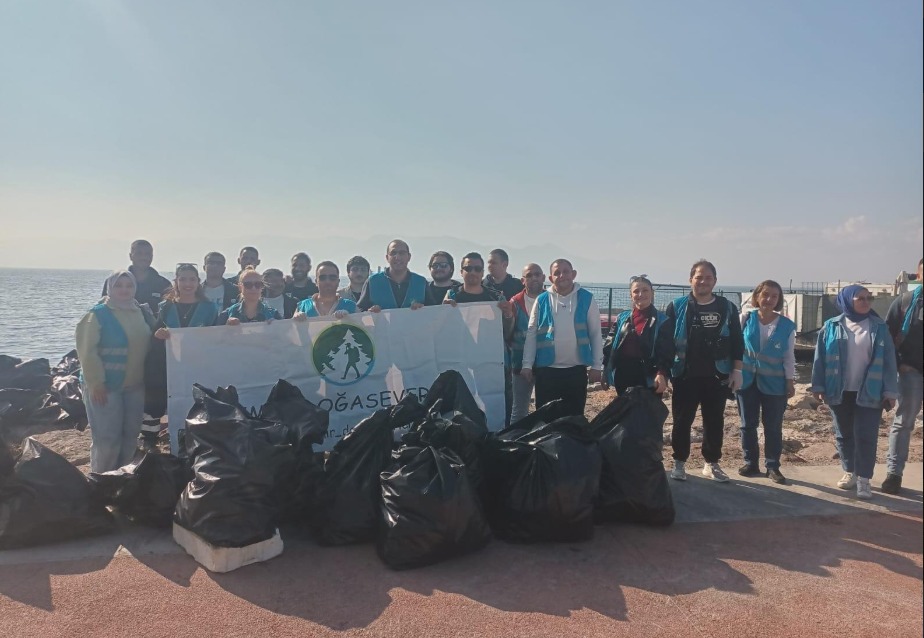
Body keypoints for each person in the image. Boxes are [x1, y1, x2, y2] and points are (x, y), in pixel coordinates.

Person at [810, 285, 898, 500]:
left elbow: (889, 361)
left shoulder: (879, 327)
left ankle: (864, 479)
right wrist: (818, 386)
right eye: (861, 298)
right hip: (839, 390)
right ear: (848, 300)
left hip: (870, 390)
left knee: (867, 436)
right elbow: (820, 358)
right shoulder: (831, 326)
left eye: (869, 298)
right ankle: (850, 471)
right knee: (844, 434)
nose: (866, 302)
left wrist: (890, 391)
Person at [665, 259, 744, 483]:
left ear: (715, 281)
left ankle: (711, 463)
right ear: (690, 279)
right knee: (682, 420)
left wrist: (737, 370)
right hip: (685, 374)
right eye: (699, 277)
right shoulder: (677, 306)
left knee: (714, 420)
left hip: (717, 374)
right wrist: (665, 371)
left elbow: (737, 340)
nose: (703, 281)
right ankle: (679, 462)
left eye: (708, 277)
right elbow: (666, 342)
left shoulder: (727, 307)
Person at [77, 271, 155, 472]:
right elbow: (87, 352)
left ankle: (123, 477)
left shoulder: (141, 312)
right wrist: (96, 383)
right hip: (105, 388)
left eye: (129, 285)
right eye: (119, 285)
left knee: (131, 435)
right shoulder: (97, 315)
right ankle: (102, 479)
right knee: (107, 439)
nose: (124, 290)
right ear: (110, 288)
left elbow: (154, 339)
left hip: (135, 387)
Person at [520, 259, 604, 418]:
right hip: (547, 370)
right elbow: (532, 334)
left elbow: (595, 333)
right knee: (545, 418)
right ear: (550, 278)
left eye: (566, 271)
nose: (562, 276)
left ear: (574, 274)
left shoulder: (587, 298)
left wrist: (597, 365)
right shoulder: (542, 300)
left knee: (574, 418)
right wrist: (527, 364)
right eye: (557, 273)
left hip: (576, 370)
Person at [735, 280, 796, 484]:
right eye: (765, 295)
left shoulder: (787, 326)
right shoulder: (745, 319)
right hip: (746, 382)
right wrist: (733, 373)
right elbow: (735, 348)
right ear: (757, 296)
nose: (769, 299)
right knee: (747, 425)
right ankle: (750, 462)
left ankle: (773, 466)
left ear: (779, 299)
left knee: (773, 426)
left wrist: (790, 381)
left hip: (775, 384)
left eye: (774, 296)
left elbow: (788, 356)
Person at [145, 264, 220, 424]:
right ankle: (166, 432)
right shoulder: (165, 307)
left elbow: (217, 339)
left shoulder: (210, 308)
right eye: (183, 279)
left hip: (198, 366)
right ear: (176, 282)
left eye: (192, 279)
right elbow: (155, 335)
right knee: (170, 401)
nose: (188, 284)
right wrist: (159, 334)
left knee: (196, 404)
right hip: (170, 366)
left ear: (198, 282)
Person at [882, 258, 924, 494]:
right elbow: (887, 336)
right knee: (904, 422)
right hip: (911, 371)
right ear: (918, 276)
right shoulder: (905, 302)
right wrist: (898, 365)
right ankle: (894, 474)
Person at [602, 275, 673, 396]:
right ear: (631, 295)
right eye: (636, 291)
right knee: (625, 408)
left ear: (652, 293)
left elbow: (667, 351)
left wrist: (661, 373)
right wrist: (605, 371)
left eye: (645, 290)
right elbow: (610, 345)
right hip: (623, 375)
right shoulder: (622, 318)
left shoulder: (663, 321)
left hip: (649, 377)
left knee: (648, 408)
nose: (641, 294)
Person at [508, 263, 545, 423]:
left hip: (546, 363)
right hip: (520, 365)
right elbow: (508, 334)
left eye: (537, 274)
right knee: (519, 410)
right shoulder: (514, 303)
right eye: (529, 275)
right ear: (523, 280)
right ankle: (515, 436)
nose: (534, 278)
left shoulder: (552, 300)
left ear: (543, 277)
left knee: (545, 408)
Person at [101, 239, 171, 315]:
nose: (143, 257)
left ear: (152, 257)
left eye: (147, 254)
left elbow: (170, 313)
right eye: (139, 253)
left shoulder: (164, 285)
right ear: (130, 256)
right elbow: (103, 310)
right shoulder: (114, 282)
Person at [357, 239, 427, 311]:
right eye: (393, 253)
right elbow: (359, 313)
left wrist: (423, 309)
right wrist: (370, 313)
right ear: (387, 258)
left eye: (402, 253)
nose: (397, 257)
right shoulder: (372, 282)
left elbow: (433, 313)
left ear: (409, 257)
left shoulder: (421, 283)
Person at [216, 267, 282, 325]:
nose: (253, 288)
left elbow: (285, 334)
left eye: (258, 284)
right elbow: (217, 335)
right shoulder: (226, 315)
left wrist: (276, 326)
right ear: (240, 287)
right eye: (248, 285)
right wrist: (226, 328)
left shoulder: (274, 315)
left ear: (262, 287)